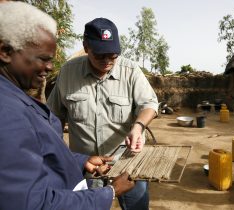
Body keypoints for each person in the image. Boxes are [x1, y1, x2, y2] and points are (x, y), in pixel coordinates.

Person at [0, 2, 135, 210]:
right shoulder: (7, 113)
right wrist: (109, 193)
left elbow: (38, 150)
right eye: (43, 59)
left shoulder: (15, 96)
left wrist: (79, 161)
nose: (49, 68)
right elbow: (33, 204)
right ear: (6, 52)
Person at [47, 17, 158, 210]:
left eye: (113, 55)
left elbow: (149, 104)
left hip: (127, 165)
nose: (107, 61)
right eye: (100, 55)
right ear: (86, 46)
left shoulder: (130, 71)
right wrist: (59, 156)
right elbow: (54, 116)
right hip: (87, 169)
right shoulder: (68, 72)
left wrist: (138, 127)